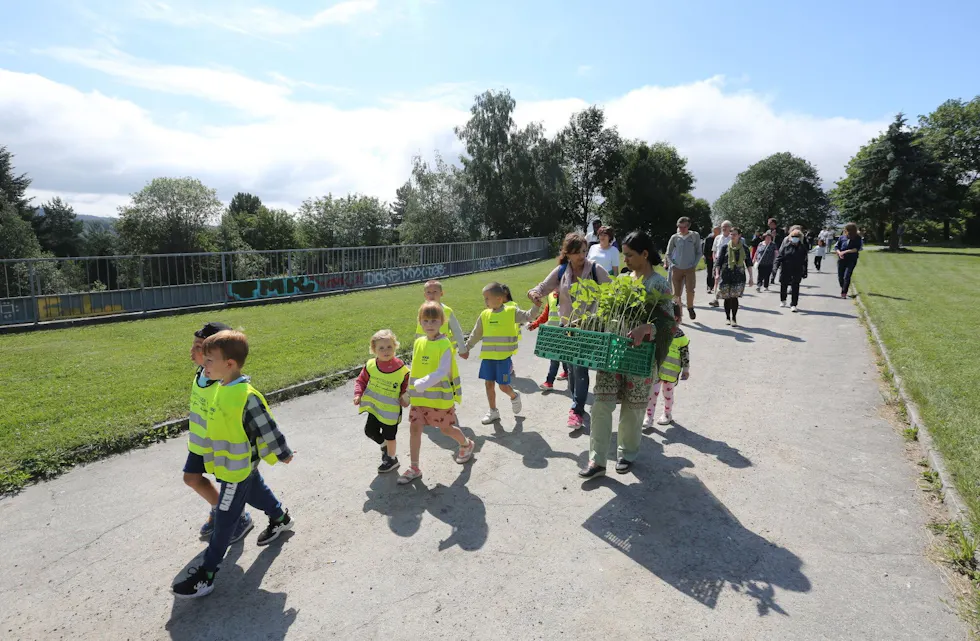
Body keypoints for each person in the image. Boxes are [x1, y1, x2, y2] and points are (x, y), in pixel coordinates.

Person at [172, 330, 294, 599]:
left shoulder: (245, 395)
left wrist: (283, 452)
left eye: (209, 360)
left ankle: (207, 574)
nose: (204, 365)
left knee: (226, 520)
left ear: (229, 364)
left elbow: (266, 426)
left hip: (236, 470)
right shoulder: (222, 386)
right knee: (255, 491)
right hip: (234, 467)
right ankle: (281, 518)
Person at [579, 230, 673, 479]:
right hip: (613, 354)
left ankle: (627, 454)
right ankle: (597, 461)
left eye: (630, 255)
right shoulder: (622, 280)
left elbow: (669, 325)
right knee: (601, 405)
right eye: (624, 255)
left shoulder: (659, 284)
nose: (625, 260)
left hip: (640, 357)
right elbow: (607, 313)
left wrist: (647, 328)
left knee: (632, 409)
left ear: (645, 254)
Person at [528, 232, 612, 429]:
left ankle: (576, 410)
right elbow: (542, 287)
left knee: (580, 368)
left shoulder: (595, 270)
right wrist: (533, 294)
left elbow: (613, 291)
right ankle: (577, 402)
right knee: (572, 369)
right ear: (567, 253)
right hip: (567, 327)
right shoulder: (562, 271)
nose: (581, 255)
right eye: (576, 252)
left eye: (584, 251)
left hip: (588, 328)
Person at [184, 321, 254, 542]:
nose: (193, 351)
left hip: (220, 446)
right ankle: (218, 510)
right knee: (191, 478)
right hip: (199, 444)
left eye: (199, 347)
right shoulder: (201, 374)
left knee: (235, 487)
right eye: (194, 346)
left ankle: (240, 517)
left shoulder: (224, 383)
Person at [399, 302, 472, 484]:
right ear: (420, 322)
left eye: (434, 320)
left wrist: (423, 383)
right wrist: (408, 392)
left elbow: (442, 371)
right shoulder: (418, 342)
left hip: (439, 399)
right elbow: (414, 369)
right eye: (425, 321)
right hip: (419, 398)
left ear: (442, 322)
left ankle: (466, 444)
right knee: (415, 429)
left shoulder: (445, 344)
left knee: (446, 429)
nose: (429, 324)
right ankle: (414, 467)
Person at [465, 282, 539, 425]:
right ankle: (493, 411)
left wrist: (536, 305)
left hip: (503, 358)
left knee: (503, 386)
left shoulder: (511, 311)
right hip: (488, 358)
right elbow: (476, 334)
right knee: (488, 385)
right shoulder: (484, 314)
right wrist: (467, 347)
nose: (485, 301)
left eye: (487, 298)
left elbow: (529, 316)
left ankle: (514, 396)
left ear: (499, 299)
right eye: (484, 298)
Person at [354, 329, 410, 474]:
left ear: (395, 346)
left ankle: (392, 459)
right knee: (370, 431)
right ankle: (384, 446)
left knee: (390, 436)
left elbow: (407, 387)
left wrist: (406, 397)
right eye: (381, 348)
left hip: (391, 412)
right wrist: (358, 394)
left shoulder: (402, 369)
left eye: (389, 347)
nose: (386, 351)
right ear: (374, 350)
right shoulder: (371, 365)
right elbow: (361, 380)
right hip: (375, 408)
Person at [643, 304, 690, 427]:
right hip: (657, 369)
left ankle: (667, 414)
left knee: (668, 395)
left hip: (671, 371)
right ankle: (649, 416)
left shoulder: (680, 335)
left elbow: (685, 352)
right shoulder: (659, 331)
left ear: (676, 318)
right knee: (652, 394)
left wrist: (686, 369)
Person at [528, 289, 569, 391]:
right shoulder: (551, 295)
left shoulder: (569, 293)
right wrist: (534, 324)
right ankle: (567, 372)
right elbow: (546, 314)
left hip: (566, 331)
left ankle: (549, 381)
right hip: (553, 332)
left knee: (555, 357)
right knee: (559, 355)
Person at [415, 280, 468, 358]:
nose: (431, 295)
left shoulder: (447, 311)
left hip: (444, 351)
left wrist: (462, 349)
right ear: (424, 295)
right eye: (428, 292)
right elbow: (418, 333)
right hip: (426, 351)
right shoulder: (422, 311)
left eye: (435, 292)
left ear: (441, 293)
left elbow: (457, 331)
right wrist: (416, 351)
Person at [664, 216, 702, 321]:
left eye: (683, 227)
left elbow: (699, 252)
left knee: (690, 289)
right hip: (677, 269)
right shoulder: (675, 237)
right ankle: (678, 314)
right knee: (676, 293)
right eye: (679, 227)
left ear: (688, 226)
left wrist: (694, 264)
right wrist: (673, 263)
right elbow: (668, 252)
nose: (681, 229)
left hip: (690, 268)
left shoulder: (694, 236)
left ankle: (690, 307)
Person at [716, 227, 752, 326]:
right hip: (726, 275)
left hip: (738, 276)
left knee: (734, 297)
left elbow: (748, 263)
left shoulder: (744, 248)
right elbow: (718, 262)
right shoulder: (725, 247)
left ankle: (734, 318)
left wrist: (751, 277)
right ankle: (727, 318)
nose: (732, 236)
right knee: (727, 298)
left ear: (739, 235)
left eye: (734, 234)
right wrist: (717, 274)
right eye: (731, 234)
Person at [775, 228, 808, 311]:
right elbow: (779, 257)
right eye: (793, 236)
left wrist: (805, 271)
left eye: (797, 236)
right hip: (785, 268)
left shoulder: (802, 248)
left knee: (795, 286)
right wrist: (775, 266)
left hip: (797, 269)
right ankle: (783, 300)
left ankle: (793, 304)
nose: (795, 238)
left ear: (800, 237)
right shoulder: (786, 247)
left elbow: (805, 260)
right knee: (783, 285)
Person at [836, 222, 864, 298]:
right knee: (840, 276)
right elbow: (837, 247)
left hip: (851, 259)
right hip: (841, 259)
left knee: (847, 276)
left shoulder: (857, 238)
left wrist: (845, 251)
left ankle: (844, 292)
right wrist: (839, 253)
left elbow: (856, 249)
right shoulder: (842, 237)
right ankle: (843, 287)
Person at [708, 220, 732, 307]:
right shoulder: (718, 238)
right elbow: (714, 251)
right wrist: (715, 260)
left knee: (726, 281)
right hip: (718, 261)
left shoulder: (732, 238)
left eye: (726, 226)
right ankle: (716, 299)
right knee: (717, 279)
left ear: (730, 228)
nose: (724, 228)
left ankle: (729, 298)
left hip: (728, 262)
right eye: (723, 227)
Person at [703, 225, 720, 294]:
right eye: (714, 231)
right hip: (709, 258)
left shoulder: (720, 239)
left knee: (717, 273)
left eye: (717, 231)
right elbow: (704, 249)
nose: (716, 232)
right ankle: (709, 287)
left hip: (718, 259)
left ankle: (715, 286)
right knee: (709, 272)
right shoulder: (708, 239)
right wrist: (706, 256)